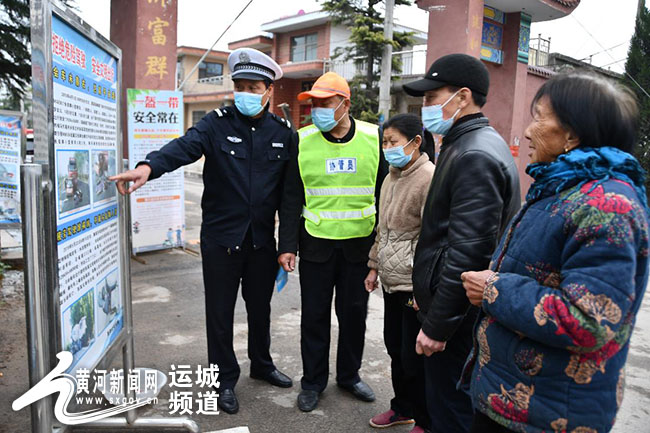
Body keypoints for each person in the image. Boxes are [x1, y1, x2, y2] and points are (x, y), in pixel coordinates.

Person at [110, 48, 295, 415]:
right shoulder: (216, 123)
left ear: (268, 90)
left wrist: (287, 245)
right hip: (220, 241)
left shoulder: (284, 134)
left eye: (253, 86)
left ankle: (262, 364)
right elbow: (184, 147)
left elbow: (291, 196)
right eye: (239, 85)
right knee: (220, 312)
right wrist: (149, 167)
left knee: (261, 309)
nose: (244, 92)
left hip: (261, 242)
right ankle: (223, 379)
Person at [461, 72, 649, 433]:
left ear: (572, 135)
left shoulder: (608, 206)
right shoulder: (562, 187)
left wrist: (493, 290)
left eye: (539, 117)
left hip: (547, 413)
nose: (528, 131)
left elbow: (588, 319)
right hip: (514, 397)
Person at [403, 53, 521, 432]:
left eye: (431, 97)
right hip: (455, 309)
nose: (425, 107)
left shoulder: (473, 154)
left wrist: (438, 325)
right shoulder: (467, 143)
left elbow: (469, 253)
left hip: (460, 318)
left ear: (463, 96)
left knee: (452, 408)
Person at [277, 71, 388, 412]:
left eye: (326, 103)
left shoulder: (374, 137)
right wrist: (287, 245)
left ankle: (349, 375)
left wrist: (379, 251)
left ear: (345, 104)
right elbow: (292, 195)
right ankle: (312, 382)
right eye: (314, 104)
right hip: (316, 244)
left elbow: (385, 194)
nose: (318, 110)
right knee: (314, 316)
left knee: (354, 315)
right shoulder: (303, 139)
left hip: (359, 246)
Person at [364, 114, 434, 433]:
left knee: (413, 356)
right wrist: (374, 266)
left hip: (413, 285)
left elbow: (432, 238)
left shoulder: (429, 177)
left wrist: (424, 288)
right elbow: (384, 229)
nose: (387, 147)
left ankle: (425, 417)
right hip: (391, 282)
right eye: (385, 142)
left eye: (393, 141)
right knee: (394, 347)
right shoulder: (390, 177)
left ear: (415, 142)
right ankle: (402, 408)